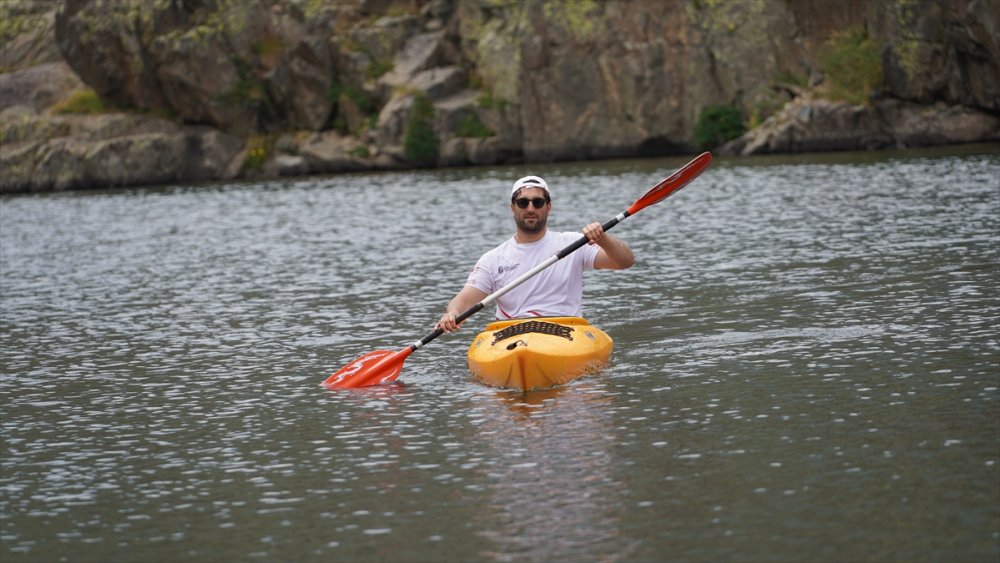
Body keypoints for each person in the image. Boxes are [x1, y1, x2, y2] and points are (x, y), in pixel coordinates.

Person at [436, 175, 635, 333]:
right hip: (510, 335)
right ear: (512, 208)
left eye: (538, 202)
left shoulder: (574, 243)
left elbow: (625, 262)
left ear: (548, 207)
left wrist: (603, 239)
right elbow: (466, 298)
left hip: (566, 331)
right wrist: (452, 313)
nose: (530, 208)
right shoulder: (493, 259)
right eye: (523, 203)